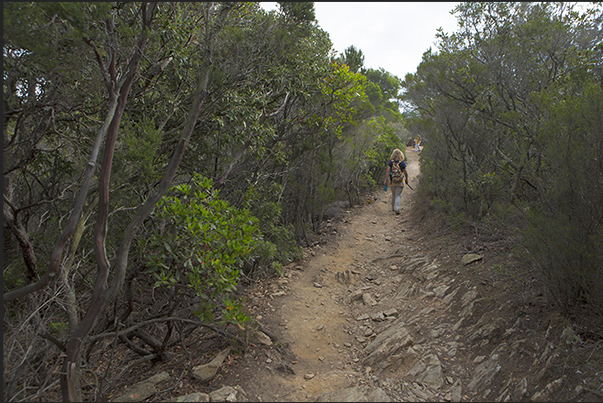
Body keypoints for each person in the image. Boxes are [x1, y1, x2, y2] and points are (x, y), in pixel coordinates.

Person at [384, 148, 409, 215]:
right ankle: (397, 208)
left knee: (393, 194)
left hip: (392, 181)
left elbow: (388, 171)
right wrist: (406, 179)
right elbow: (405, 172)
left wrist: (386, 179)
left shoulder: (390, 162)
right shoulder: (402, 162)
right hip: (400, 181)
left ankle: (393, 207)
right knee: (398, 194)